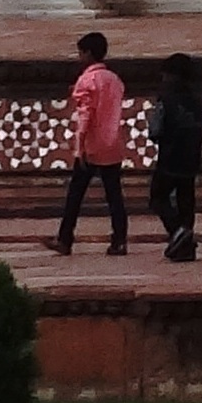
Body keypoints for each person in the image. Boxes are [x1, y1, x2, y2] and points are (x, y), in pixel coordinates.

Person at [53, 30, 129, 257]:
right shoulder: (115, 80)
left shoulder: (87, 80)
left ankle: (65, 238)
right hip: (112, 144)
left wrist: (80, 146)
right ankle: (120, 240)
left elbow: (85, 116)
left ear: (87, 53)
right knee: (114, 195)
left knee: (75, 195)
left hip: (91, 147)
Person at [148, 52, 202, 262]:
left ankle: (178, 232)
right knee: (186, 200)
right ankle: (186, 247)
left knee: (158, 196)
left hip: (170, 157)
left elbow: (155, 130)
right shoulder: (199, 101)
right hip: (191, 157)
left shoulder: (166, 98)